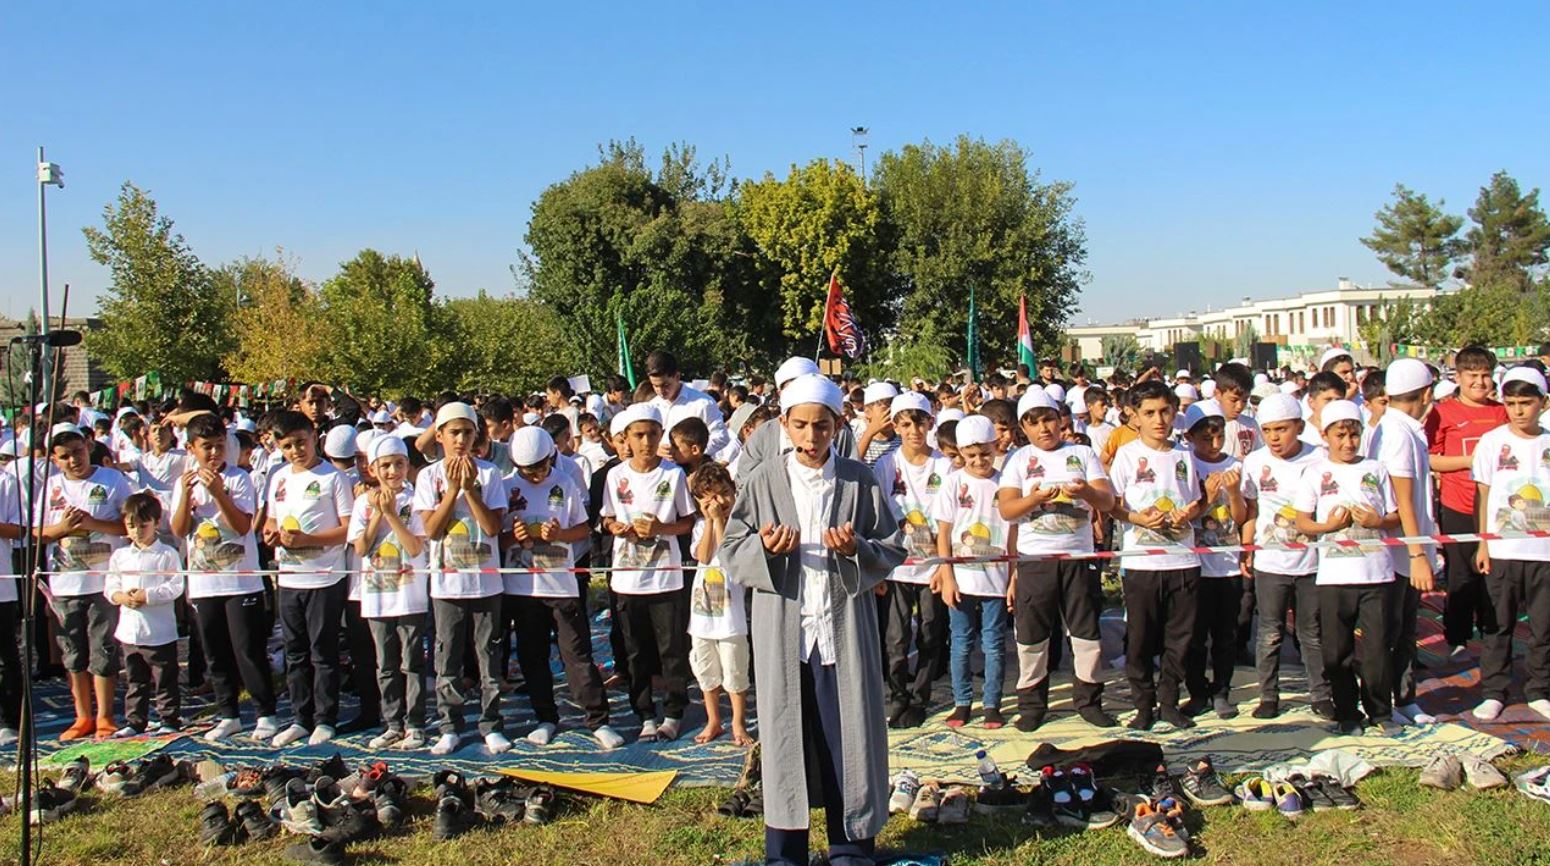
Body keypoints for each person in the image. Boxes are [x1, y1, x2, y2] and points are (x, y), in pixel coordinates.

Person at [718, 373, 906, 866]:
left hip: (842, 629)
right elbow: (732, 548)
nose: (810, 436)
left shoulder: (858, 480)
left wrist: (856, 549)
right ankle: (786, 852)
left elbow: (890, 545)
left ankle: (850, 846)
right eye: (799, 425)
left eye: (820, 426)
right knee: (787, 737)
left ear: (837, 426)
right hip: (786, 632)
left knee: (849, 738)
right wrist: (765, 548)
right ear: (784, 424)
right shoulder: (761, 480)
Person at [997, 389, 1117, 731]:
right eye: (1033, 423)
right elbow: (1007, 509)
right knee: (1032, 636)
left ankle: (1089, 700)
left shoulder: (1081, 452)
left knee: (1085, 634)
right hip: (1035, 560)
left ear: (1060, 420)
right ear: (1024, 427)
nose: (1043, 428)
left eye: (1048, 419)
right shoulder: (1018, 460)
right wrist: (1034, 499)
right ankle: (1032, 704)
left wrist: (1085, 493)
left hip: (1079, 558)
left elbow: (1106, 502)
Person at [503, 427, 622, 749]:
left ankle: (597, 719)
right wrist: (516, 535)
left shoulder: (565, 482)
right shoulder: (506, 487)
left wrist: (558, 533)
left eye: (542, 468)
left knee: (577, 652)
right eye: (530, 471)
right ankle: (546, 717)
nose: (537, 476)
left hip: (561, 583)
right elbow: (496, 536)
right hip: (522, 585)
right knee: (532, 654)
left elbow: (582, 529)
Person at [1294, 400, 1401, 736]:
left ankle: (1381, 711)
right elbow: (1303, 523)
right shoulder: (1314, 473)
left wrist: (1377, 521)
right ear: (1326, 435)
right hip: (1334, 578)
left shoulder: (1376, 469)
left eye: (1354, 434)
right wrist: (1328, 526)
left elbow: (1397, 516)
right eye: (1340, 435)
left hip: (1377, 575)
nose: (1348, 442)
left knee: (1377, 649)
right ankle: (1347, 712)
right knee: (1336, 650)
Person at [171, 413, 278, 743]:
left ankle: (265, 713)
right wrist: (189, 497)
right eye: (207, 448)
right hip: (204, 581)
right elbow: (178, 530)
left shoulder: (238, 478)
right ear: (191, 448)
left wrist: (218, 493)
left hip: (240, 580)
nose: (214, 454)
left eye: (219, 447)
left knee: (247, 649)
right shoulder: (183, 482)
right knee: (214, 651)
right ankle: (227, 712)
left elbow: (243, 526)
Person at [413, 401, 511, 756]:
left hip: (486, 582)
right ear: (439, 436)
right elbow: (432, 530)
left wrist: (470, 489)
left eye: (467, 433)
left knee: (489, 656)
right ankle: (450, 725)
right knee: (447, 656)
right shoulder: (428, 477)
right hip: (446, 584)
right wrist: (452, 490)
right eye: (454, 433)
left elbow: (492, 526)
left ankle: (491, 723)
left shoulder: (489, 474)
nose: (460, 439)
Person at [1107, 380, 1204, 731]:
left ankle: (1169, 701)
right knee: (1140, 638)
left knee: (1180, 638)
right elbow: (1111, 504)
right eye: (1149, 413)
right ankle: (1143, 704)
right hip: (1143, 562)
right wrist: (1137, 518)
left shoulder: (1184, 455)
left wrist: (1187, 514)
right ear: (1135, 416)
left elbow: (1195, 499)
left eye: (1164, 411)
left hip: (1182, 559)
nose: (1158, 420)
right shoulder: (1127, 455)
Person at [600, 404, 696, 742]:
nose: (645, 442)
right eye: (638, 435)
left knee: (671, 648)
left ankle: (673, 711)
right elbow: (607, 517)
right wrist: (616, 527)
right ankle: (644, 714)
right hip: (627, 577)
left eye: (652, 434)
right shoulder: (615, 476)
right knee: (636, 651)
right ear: (624, 438)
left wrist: (661, 527)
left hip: (665, 577)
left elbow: (687, 521)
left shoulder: (673, 475)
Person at [263, 410, 355, 747]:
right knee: (295, 651)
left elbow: (347, 529)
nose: (295, 451)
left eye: (301, 442)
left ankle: (325, 718)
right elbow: (271, 523)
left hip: (324, 577)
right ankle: (300, 717)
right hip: (289, 577)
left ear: (314, 436)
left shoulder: (334, 478)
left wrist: (309, 540)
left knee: (322, 651)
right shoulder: (278, 478)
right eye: (287, 446)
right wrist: (272, 535)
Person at [37, 422, 133, 740]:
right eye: (64, 456)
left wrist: (94, 523)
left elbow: (129, 526)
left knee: (103, 649)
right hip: (65, 582)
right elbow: (38, 532)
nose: (73, 460)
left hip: (102, 581)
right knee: (72, 652)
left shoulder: (112, 479)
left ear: (88, 447)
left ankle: (106, 715)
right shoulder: (49, 487)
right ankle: (82, 716)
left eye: (77, 452)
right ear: (54, 459)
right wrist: (62, 529)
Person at [1240, 393, 1330, 719]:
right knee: (1270, 632)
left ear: (1300, 426)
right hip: (1270, 562)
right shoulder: (1254, 462)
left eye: (1282, 429)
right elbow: (1251, 510)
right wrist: (1246, 549)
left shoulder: (1320, 459)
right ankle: (1268, 696)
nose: (1275, 437)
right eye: (1268, 430)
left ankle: (1321, 694)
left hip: (1312, 561)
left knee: (1311, 632)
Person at [1470, 366, 1550, 722]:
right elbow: (1483, 496)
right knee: (1497, 624)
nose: (1518, 410)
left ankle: (1539, 689)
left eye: (1526, 402)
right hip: (1503, 551)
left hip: (1543, 553)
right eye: (1511, 402)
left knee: (1543, 626)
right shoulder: (1492, 442)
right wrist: (1483, 545)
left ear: (1543, 403)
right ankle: (1494, 690)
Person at [870, 392, 952, 728]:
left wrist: (946, 565)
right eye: (905, 424)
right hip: (896, 565)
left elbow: (953, 519)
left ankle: (920, 696)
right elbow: (873, 516)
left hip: (931, 566)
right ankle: (897, 695)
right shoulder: (886, 465)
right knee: (895, 637)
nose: (914, 430)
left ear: (930, 424)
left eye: (919, 422)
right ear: (897, 427)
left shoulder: (945, 467)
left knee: (931, 633)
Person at [1365, 359, 1439, 726]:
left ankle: (1404, 697)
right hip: (1397, 550)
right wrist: (1417, 552)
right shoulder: (1396, 432)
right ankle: (1386, 702)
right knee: (1391, 632)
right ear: (1427, 393)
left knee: (1403, 630)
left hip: (1402, 546)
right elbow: (1403, 497)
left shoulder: (1397, 428)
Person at [931, 415, 1014, 729]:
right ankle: (962, 702)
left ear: (995, 447)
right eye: (971, 455)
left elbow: (1014, 531)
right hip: (961, 580)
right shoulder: (952, 482)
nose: (979, 460)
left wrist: (1013, 576)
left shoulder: (1006, 482)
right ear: (961, 453)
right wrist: (947, 575)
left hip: (996, 576)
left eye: (985, 453)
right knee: (961, 641)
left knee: (994, 643)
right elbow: (944, 533)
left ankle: (992, 703)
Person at [349, 435, 431, 750]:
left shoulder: (416, 499)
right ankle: (392, 723)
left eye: (399, 464)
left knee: (411, 661)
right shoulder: (362, 503)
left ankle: (416, 723)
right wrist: (378, 513)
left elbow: (414, 546)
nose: (393, 471)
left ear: (408, 465)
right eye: (385, 465)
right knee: (385, 663)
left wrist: (393, 514)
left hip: (409, 592)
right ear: (373, 468)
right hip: (376, 594)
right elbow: (361, 547)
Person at [1428, 346, 1508, 654]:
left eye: (1485, 376)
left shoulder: (1501, 412)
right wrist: (1471, 461)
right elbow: (1431, 459)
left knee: (1494, 576)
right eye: (1472, 376)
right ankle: (1456, 637)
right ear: (1458, 377)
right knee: (1461, 575)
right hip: (1457, 504)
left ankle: (1492, 634)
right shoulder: (1442, 412)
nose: (1479, 382)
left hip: (1495, 507)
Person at [1179, 400, 1247, 720]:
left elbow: (1243, 515)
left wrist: (1232, 493)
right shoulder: (1185, 465)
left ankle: (1222, 689)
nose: (1214, 444)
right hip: (1194, 565)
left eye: (1219, 437)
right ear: (1191, 438)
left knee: (1225, 634)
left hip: (1227, 563)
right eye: (1206, 438)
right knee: (1194, 635)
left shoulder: (1235, 465)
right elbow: (1187, 513)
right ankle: (1197, 690)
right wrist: (1206, 494)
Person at [104, 493, 184, 736]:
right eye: (131, 526)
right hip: (129, 631)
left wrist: (147, 595)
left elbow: (175, 586)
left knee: (164, 679)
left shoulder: (166, 554)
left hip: (159, 631)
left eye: (143, 525)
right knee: (134, 679)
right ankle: (135, 721)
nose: (137, 531)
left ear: (156, 523)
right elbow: (111, 586)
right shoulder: (120, 555)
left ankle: (169, 718)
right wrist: (122, 598)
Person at [687, 461, 753, 746]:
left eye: (724, 493)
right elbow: (703, 556)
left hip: (731, 617)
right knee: (706, 669)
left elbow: (727, 554)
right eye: (710, 497)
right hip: (702, 614)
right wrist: (709, 521)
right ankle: (713, 720)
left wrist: (720, 520)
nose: (719, 502)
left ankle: (738, 721)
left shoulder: (741, 524)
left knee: (735, 669)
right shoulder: (700, 526)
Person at [644, 351, 733, 462]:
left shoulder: (702, 403)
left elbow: (721, 438)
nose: (660, 391)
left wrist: (688, 453)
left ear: (677, 376)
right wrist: (655, 449)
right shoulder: (651, 407)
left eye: (665, 385)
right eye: (655, 386)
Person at [855, 382, 901, 467]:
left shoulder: (902, 441)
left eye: (893, 409)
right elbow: (851, 465)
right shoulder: (858, 440)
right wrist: (870, 432)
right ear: (867, 412)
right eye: (885, 409)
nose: (889, 414)